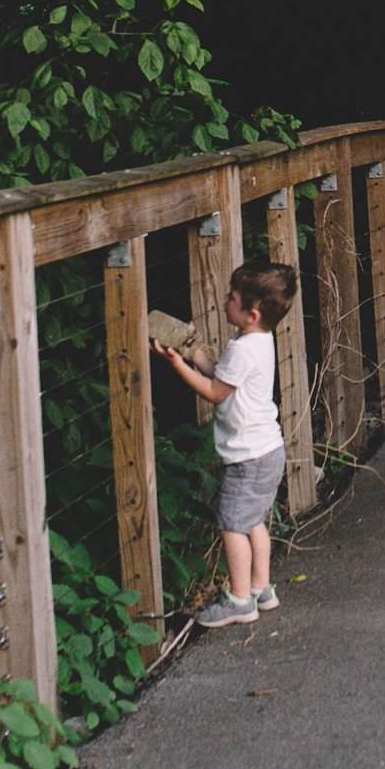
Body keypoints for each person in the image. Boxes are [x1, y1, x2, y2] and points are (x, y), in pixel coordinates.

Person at [153, 259, 297, 627]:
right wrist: (193, 351)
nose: (224, 299)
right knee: (253, 522)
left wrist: (177, 365)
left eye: (231, 297)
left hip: (248, 458)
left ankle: (239, 601)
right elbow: (224, 375)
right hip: (268, 450)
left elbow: (216, 392)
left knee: (231, 525)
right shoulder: (258, 340)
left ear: (249, 313)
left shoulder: (243, 349)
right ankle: (261, 589)